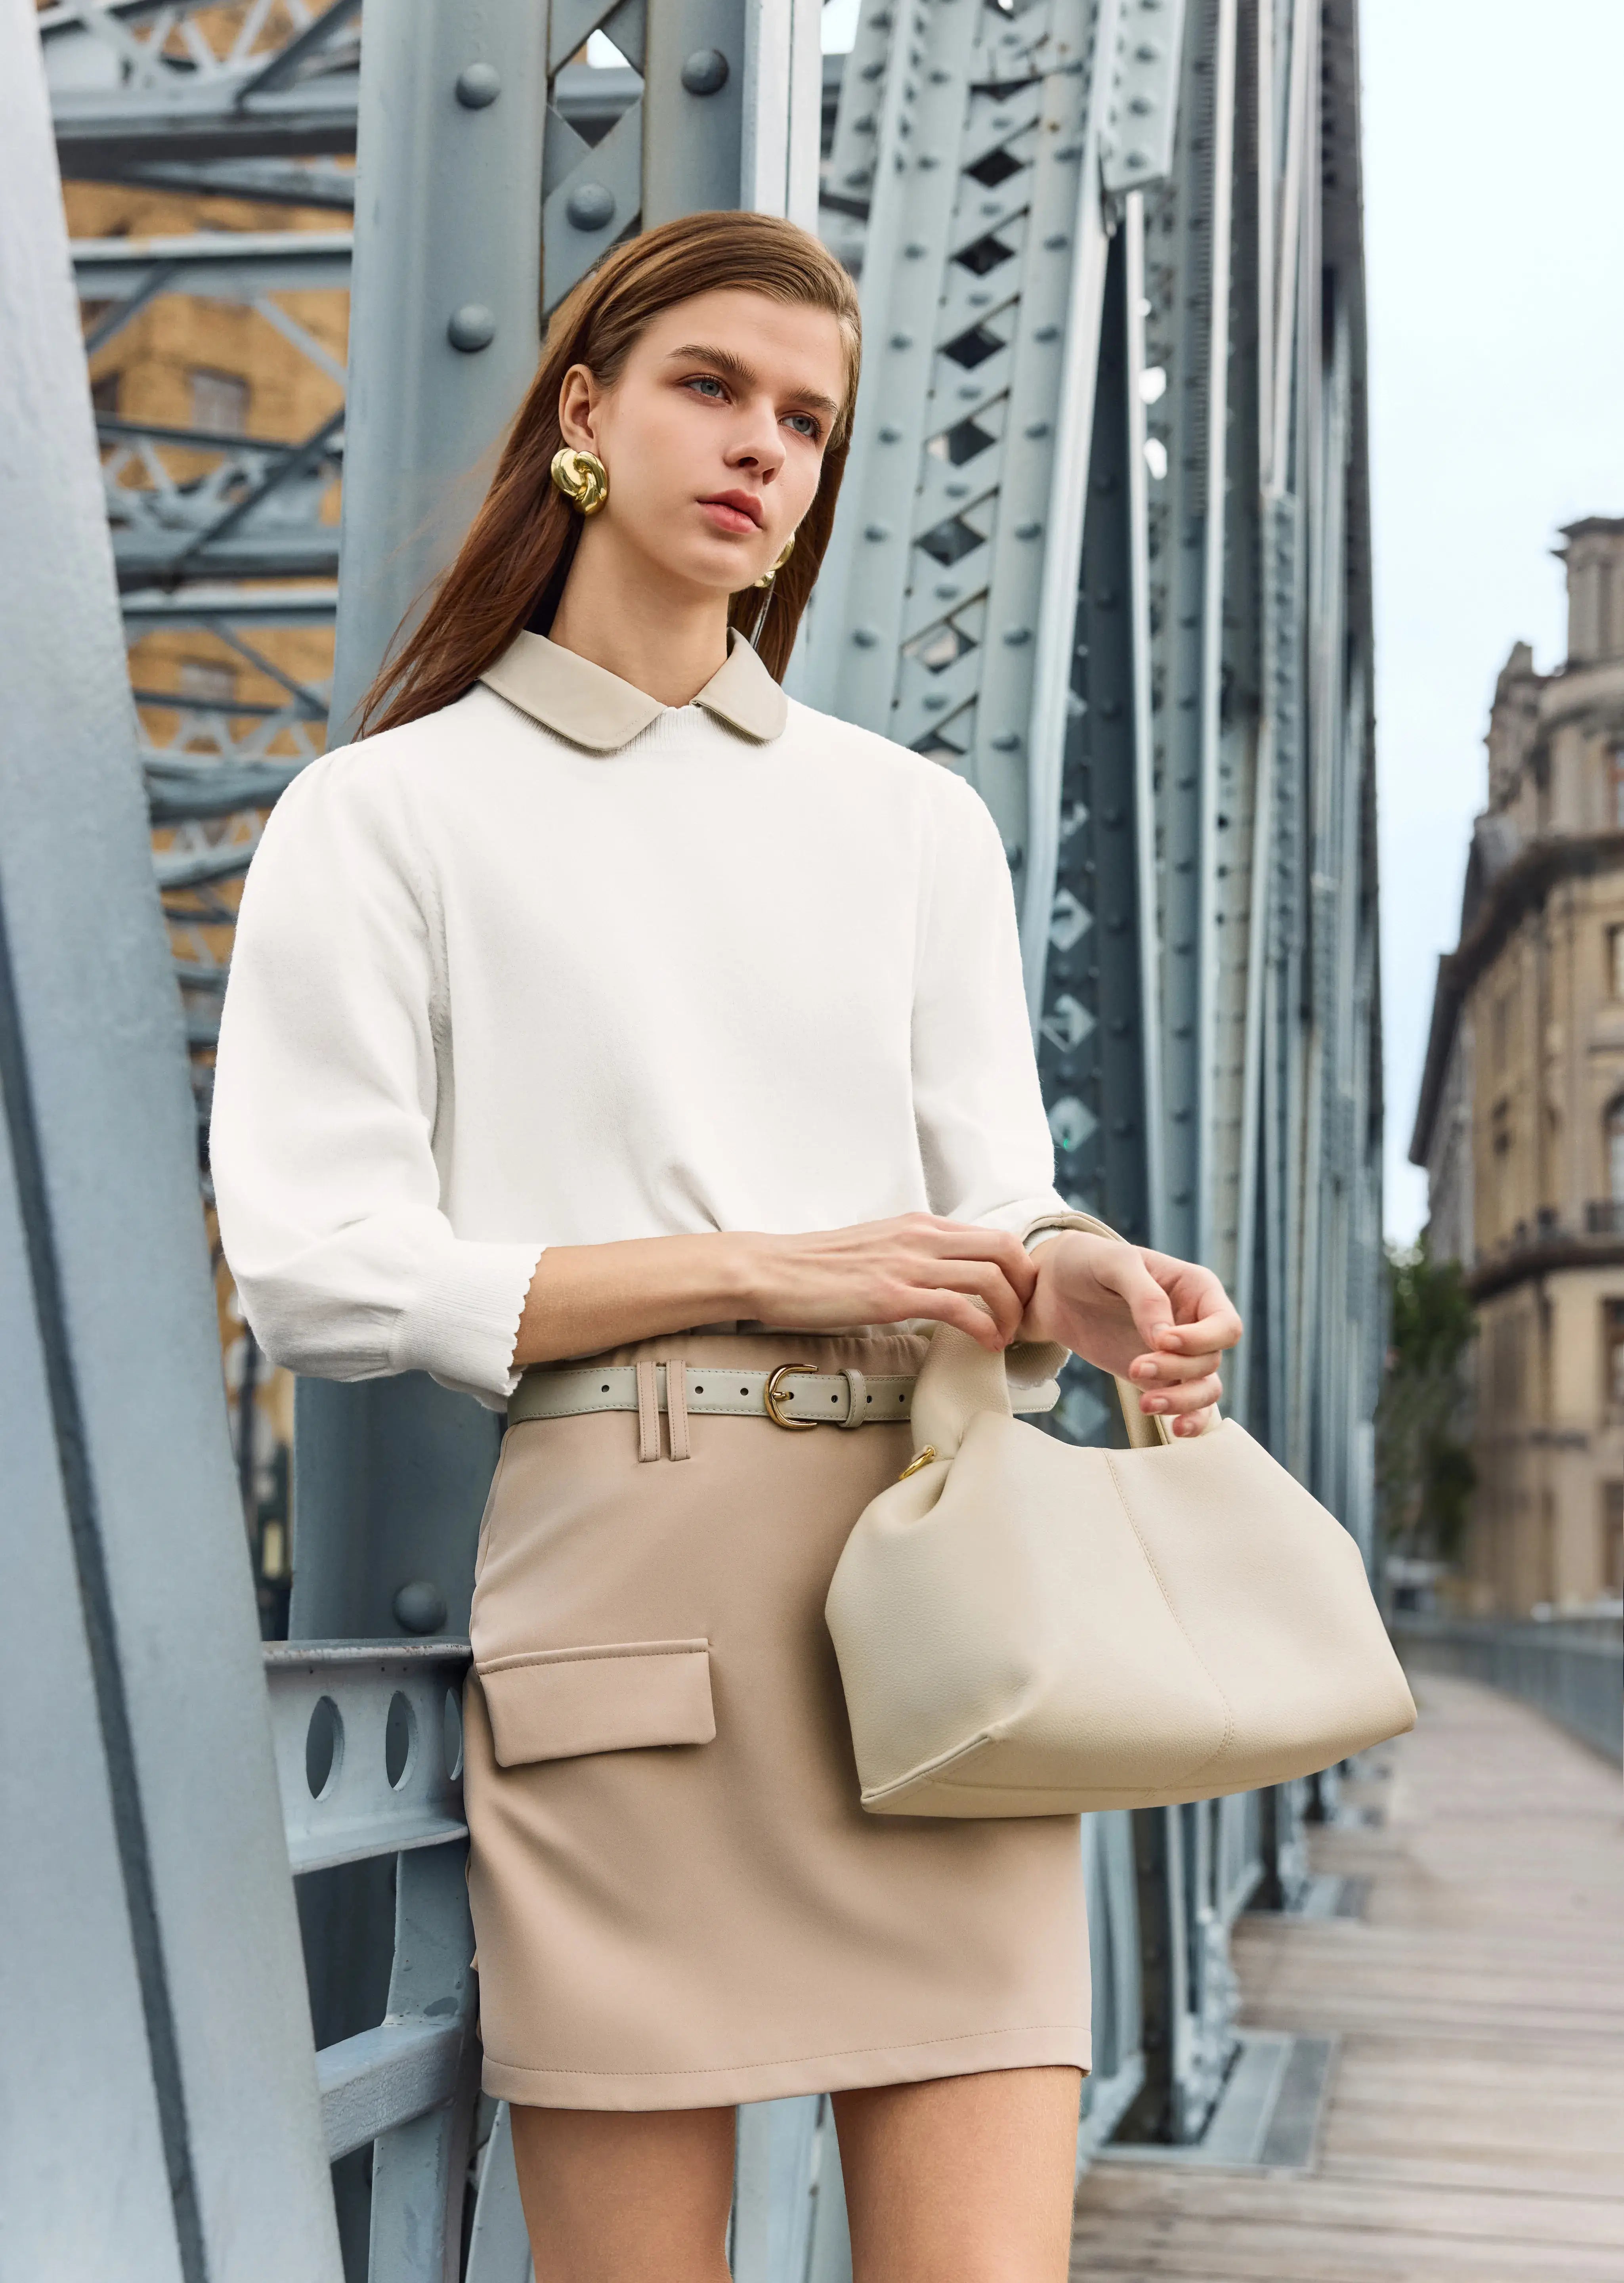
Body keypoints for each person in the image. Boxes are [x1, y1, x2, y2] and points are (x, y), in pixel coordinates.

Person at [210, 210, 1241, 2283]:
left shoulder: (909, 822)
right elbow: (314, 1263)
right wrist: (760, 1269)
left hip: (938, 1590)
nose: (764, 445)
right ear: (583, 413)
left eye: (808, 419)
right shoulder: (388, 812)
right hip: (632, 1591)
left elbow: (987, 1202)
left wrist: (1083, 1276)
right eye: (711, 388)